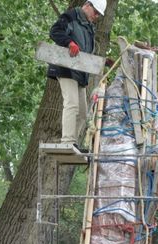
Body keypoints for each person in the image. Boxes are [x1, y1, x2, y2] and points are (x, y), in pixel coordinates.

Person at [47, 0, 107, 152]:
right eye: (96, 13)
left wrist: (104, 62)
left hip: (80, 74)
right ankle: (67, 141)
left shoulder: (89, 28)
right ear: (87, 5)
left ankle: (72, 142)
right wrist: (69, 42)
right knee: (72, 103)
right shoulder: (71, 16)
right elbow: (55, 31)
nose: (96, 17)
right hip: (66, 68)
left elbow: (87, 53)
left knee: (82, 112)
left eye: (99, 15)